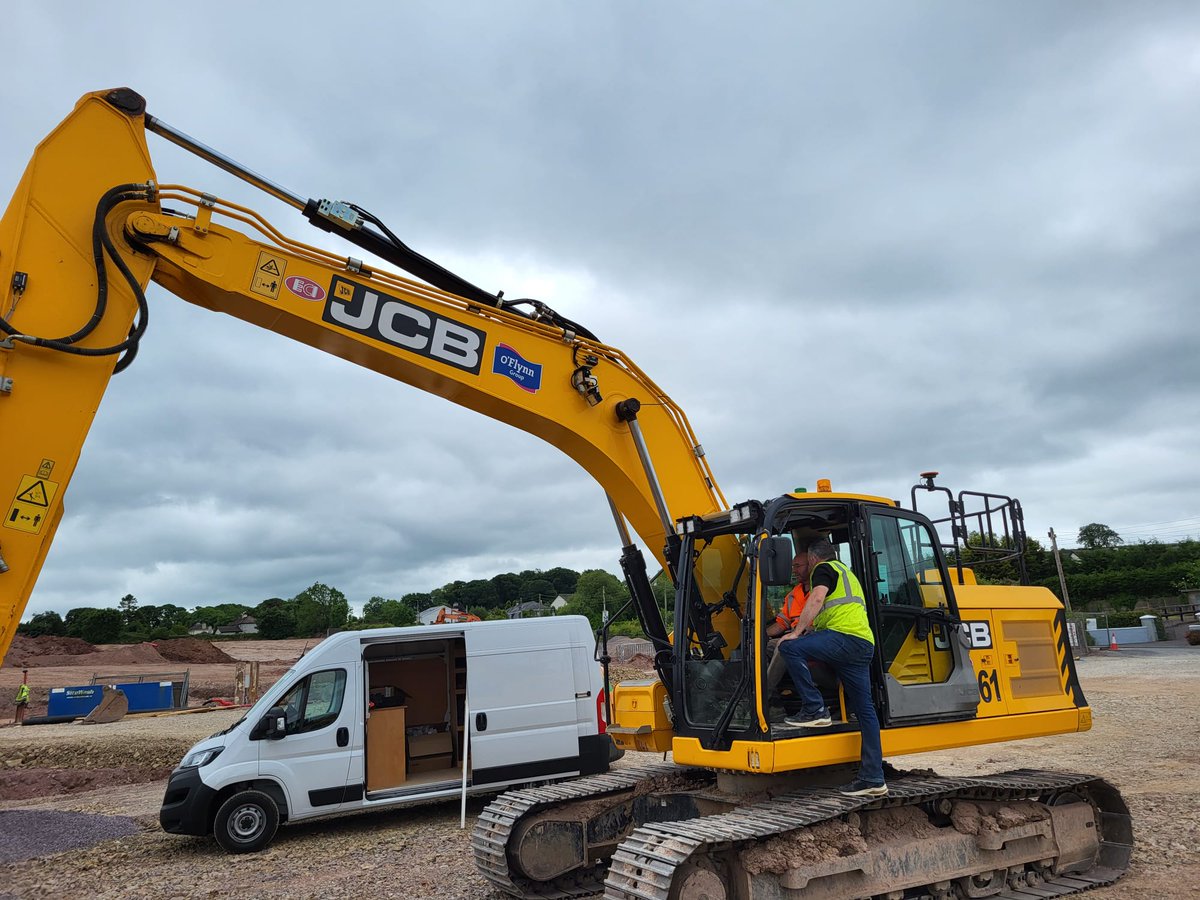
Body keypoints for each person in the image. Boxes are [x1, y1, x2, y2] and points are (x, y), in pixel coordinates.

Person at [777, 536, 887, 797]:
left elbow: (816, 599)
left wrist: (797, 632)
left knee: (789, 647)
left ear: (814, 558)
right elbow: (832, 612)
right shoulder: (848, 575)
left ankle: (815, 709)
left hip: (844, 638)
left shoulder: (824, 569)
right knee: (865, 711)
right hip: (861, 643)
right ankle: (873, 777)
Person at [763, 551, 810, 696]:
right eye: (792, 567)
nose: (794, 571)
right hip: (795, 636)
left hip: (812, 637)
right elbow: (781, 623)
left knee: (783, 646)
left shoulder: (820, 591)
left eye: (797, 566)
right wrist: (760, 635)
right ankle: (770, 693)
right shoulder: (793, 594)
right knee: (761, 647)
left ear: (811, 565)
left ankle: (766, 693)